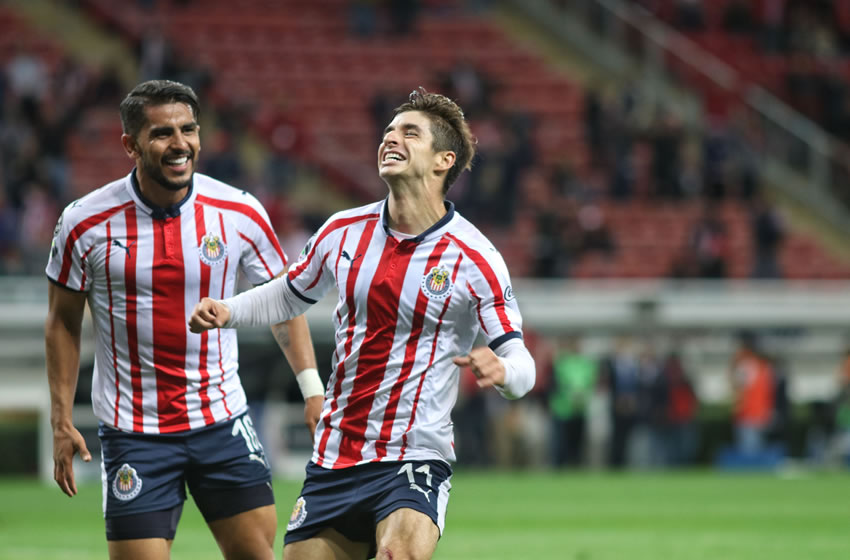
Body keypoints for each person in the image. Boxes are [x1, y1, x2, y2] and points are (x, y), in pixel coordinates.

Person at [189, 88, 536, 560]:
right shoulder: (342, 231)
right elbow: (290, 293)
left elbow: (521, 360)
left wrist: (504, 375)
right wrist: (230, 310)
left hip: (414, 455)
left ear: (443, 161)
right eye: (389, 130)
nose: (391, 138)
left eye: (409, 133)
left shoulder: (474, 257)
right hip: (336, 455)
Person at [44, 79, 322, 560]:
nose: (180, 144)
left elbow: (284, 301)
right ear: (130, 144)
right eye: (162, 133)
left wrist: (313, 390)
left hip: (222, 420)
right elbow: (62, 323)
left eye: (188, 129)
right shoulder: (83, 223)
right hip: (135, 431)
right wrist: (61, 419)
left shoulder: (238, 211)